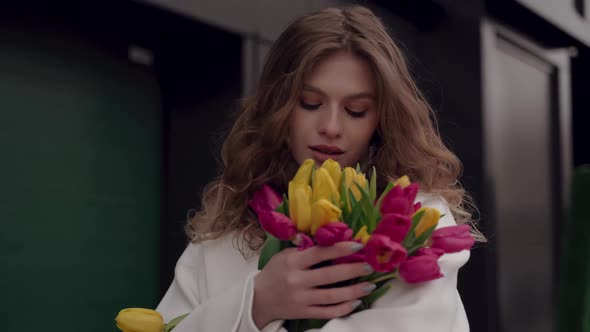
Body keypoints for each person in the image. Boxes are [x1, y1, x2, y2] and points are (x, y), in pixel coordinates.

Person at [157, 5, 475, 332]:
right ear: (277, 107)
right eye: (310, 103)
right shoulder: (222, 234)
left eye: (356, 110)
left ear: (381, 121)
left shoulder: (415, 219)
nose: (331, 127)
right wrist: (256, 302)